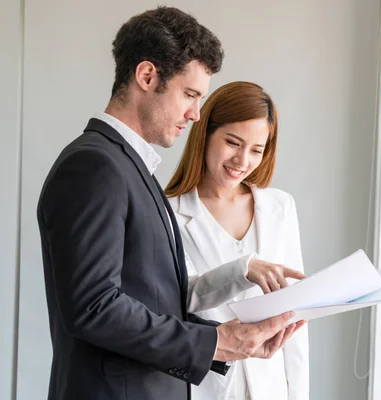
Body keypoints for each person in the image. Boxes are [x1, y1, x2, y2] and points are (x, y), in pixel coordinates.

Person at [37, 7, 304, 400]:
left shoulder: (131, 170)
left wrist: (232, 341)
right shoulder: (94, 165)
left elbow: (159, 301)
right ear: (147, 76)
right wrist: (217, 344)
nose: (195, 114)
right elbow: (94, 307)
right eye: (190, 94)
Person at [165, 81, 310, 400]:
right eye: (233, 142)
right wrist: (243, 270)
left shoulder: (279, 207)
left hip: (271, 390)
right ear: (205, 134)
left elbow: (295, 318)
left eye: (256, 150)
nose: (242, 161)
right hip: (207, 389)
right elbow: (175, 303)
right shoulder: (168, 212)